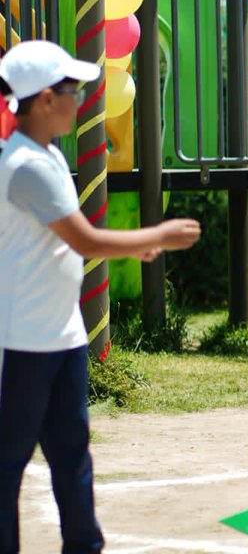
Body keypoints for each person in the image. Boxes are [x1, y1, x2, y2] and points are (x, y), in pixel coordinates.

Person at [0, 40, 202, 553]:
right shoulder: (26, 164)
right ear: (45, 98)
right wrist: (155, 237)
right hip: (22, 342)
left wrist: (140, 244)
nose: (80, 97)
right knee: (8, 464)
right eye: (71, 89)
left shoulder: (43, 155)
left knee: (72, 455)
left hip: (60, 336)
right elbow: (85, 239)